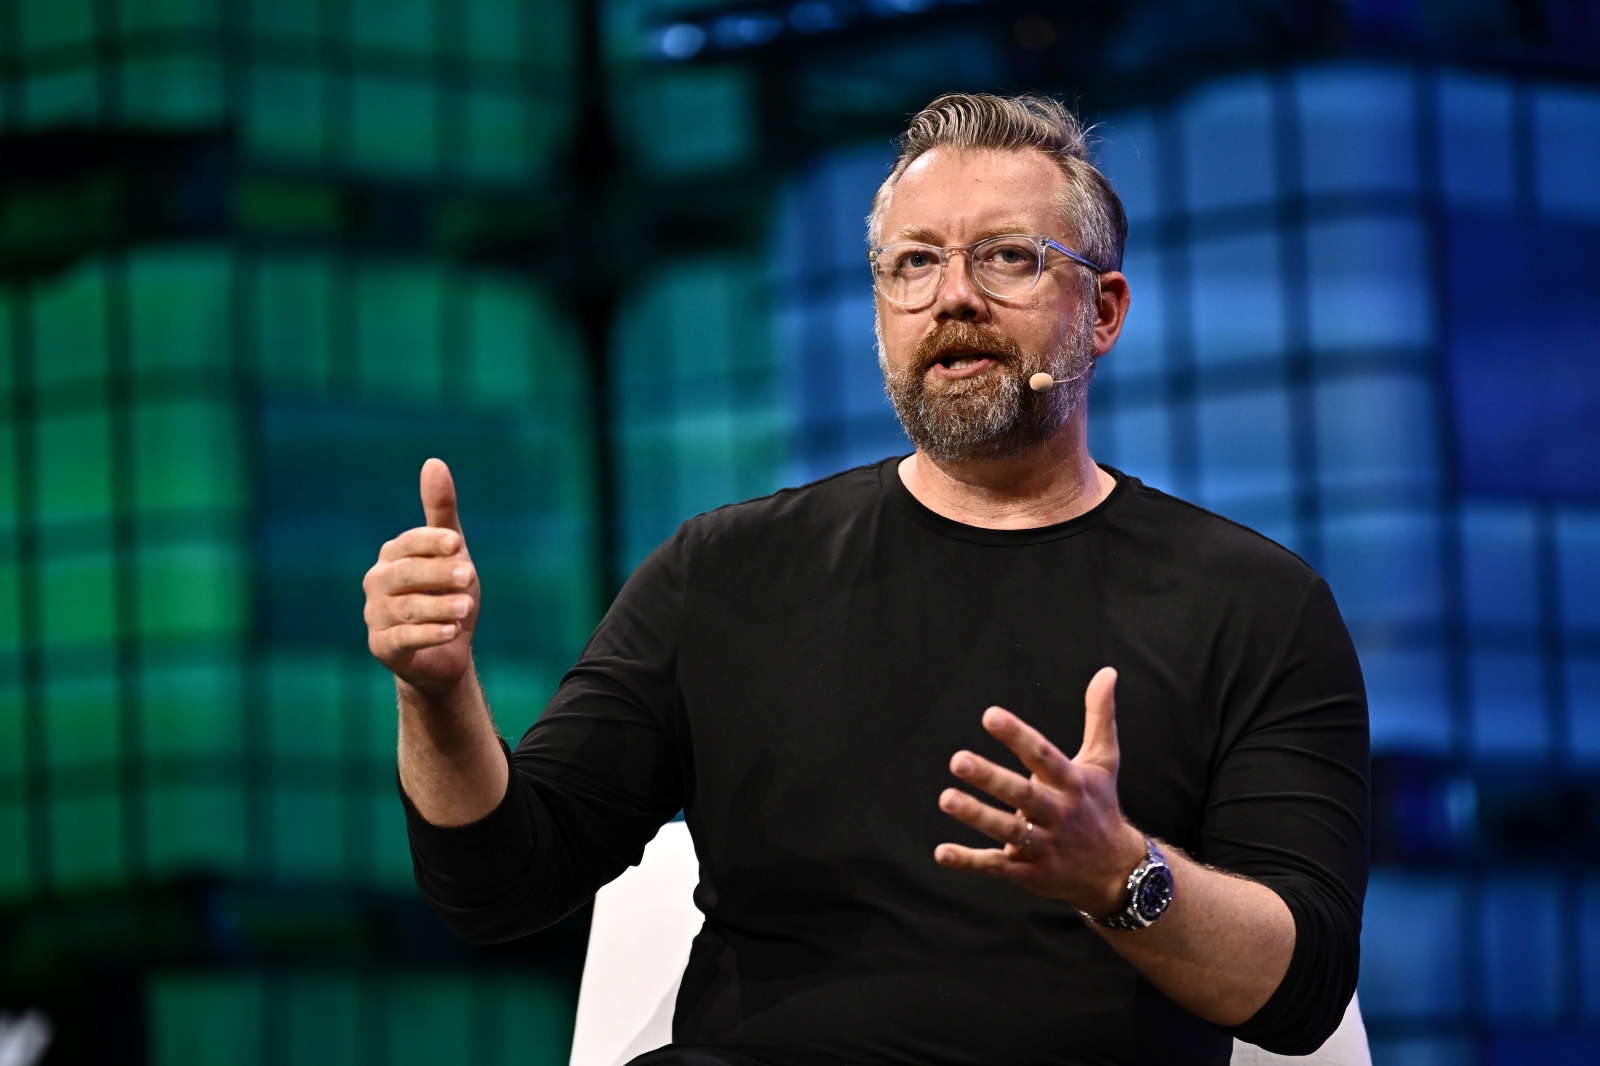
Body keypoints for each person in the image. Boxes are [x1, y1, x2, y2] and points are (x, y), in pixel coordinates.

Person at [362, 93, 1368, 1066]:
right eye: (914, 263)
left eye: (1007, 257)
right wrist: (438, 693)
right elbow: (500, 883)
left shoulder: (1256, 606)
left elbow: (1300, 991)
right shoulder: (721, 571)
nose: (954, 295)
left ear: (1101, 310)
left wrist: (1119, 873)